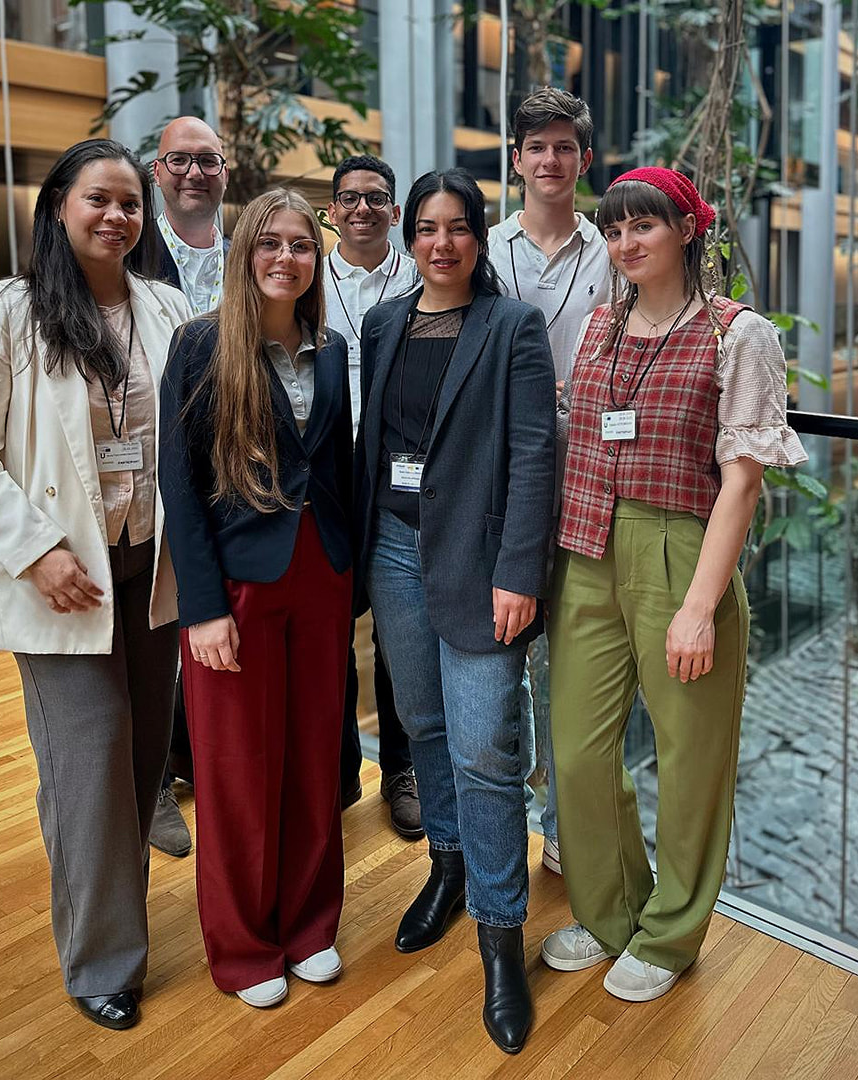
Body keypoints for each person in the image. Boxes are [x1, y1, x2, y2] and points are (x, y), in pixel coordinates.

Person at [0, 138, 194, 1030]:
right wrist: (36, 551)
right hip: (62, 575)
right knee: (89, 762)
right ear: (58, 206)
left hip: (149, 567)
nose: (117, 216)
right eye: (99, 199)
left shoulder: (165, 306)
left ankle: (111, 908)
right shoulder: (6, 310)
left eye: (130, 203)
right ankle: (102, 962)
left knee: (143, 757)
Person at [540, 167, 808, 1002]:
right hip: (585, 546)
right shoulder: (599, 326)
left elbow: (743, 482)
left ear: (688, 230)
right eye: (613, 229)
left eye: (643, 226)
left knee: (691, 758)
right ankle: (610, 912)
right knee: (577, 752)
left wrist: (699, 605)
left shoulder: (739, 333)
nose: (625, 243)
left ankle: (670, 932)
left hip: (680, 551)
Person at [355, 168, 555, 1053]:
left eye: (458, 227)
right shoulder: (382, 323)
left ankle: (500, 935)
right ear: (409, 239)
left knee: (485, 749)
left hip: (480, 563)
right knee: (423, 723)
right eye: (427, 228)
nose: (442, 243)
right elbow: (375, 443)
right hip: (393, 551)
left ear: (480, 236)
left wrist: (520, 571)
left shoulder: (511, 326)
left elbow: (534, 452)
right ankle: (446, 866)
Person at [159, 189, 353, 1009]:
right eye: (269, 243)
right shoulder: (200, 345)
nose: (286, 258)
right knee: (238, 772)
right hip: (235, 586)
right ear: (244, 254)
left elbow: (334, 469)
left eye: (301, 245)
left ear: (317, 259)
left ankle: (309, 924)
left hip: (321, 578)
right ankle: (244, 948)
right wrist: (202, 607)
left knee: (314, 758)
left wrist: (350, 575)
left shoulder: (331, 350)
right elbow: (180, 483)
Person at [488, 86, 611, 876]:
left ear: (584, 159)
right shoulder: (485, 249)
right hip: (502, 480)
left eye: (564, 146)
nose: (550, 159)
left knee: (578, 667)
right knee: (506, 658)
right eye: (537, 146)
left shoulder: (613, 249)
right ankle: (512, 816)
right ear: (517, 159)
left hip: (591, 478)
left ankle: (569, 829)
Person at [324, 154, 421, 838]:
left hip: (398, 475)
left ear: (394, 211)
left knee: (397, 626)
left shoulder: (420, 278)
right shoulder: (305, 277)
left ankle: (402, 769)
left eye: (376, 198)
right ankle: (336, 765)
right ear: (332, 210)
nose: (363, 208)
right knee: (329, 624)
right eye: (350, 198)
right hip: (325, 474)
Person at [145, 115, 231, 858]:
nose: (194, 173)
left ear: (225, 171)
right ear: (157, 170)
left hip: (232, 472)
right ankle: (150, 786)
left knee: (210, 620)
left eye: (207, 160)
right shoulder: (129, 249)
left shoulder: (250, 253)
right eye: (179, 160)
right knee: (150, 635)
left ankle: (197, 762)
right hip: (144, 466)